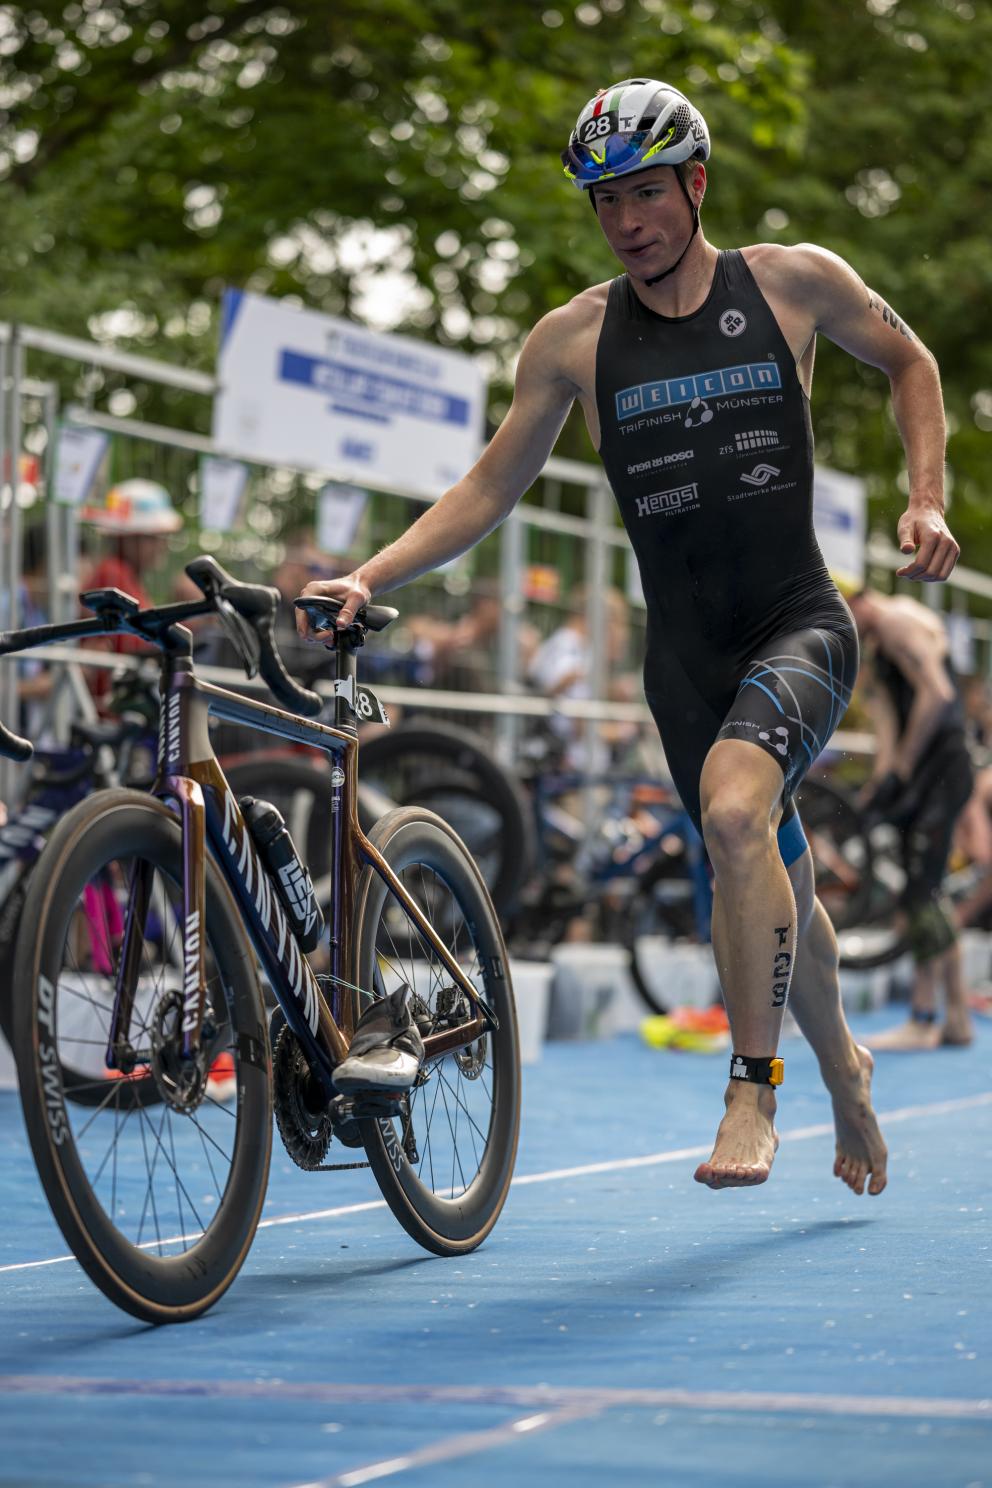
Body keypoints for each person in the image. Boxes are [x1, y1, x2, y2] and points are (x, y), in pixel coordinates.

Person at [299, 78, 960, 1194]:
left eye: (647, 193)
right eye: (604, 201)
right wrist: (367, 573)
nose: (627, 220)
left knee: (734, 813)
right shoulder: (572, 340)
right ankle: (843, 1073)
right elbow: (485, 488)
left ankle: (753, 1087)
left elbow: (911, 364)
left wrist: (925, 496)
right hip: (684, 659)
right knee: (771, 878)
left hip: (797, 621)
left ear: (694, 186)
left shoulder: (789, 283)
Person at [848, 589, 974, 1048]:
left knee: (923, 890)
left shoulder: (899, 621)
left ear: (860, 601)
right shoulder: (877, 650)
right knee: (925, 891)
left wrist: (902, 768)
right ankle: (953, 1017)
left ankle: (928, 1017)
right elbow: (888, 727)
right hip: (921, 771)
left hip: (939, 768)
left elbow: (937, 695)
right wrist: (880, 784)